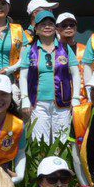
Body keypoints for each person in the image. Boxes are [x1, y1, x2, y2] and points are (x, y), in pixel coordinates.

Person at [17, 9, 78, 142]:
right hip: (38, 103)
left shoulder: (65, 48)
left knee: (62, 140)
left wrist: (76, 97)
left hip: (62, 102)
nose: (47, 27)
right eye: (43, 24)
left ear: (55, 28)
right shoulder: (30, 50)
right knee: (40, 141)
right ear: (36, 29)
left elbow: (75, 74)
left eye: (50, 23)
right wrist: (25, 98)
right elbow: (23, 76)